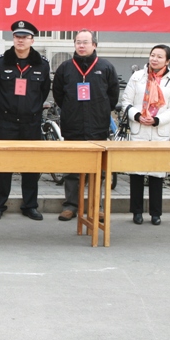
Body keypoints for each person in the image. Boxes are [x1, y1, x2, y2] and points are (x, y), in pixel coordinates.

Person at [52, 29, 119, 221]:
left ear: (94, 45)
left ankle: (96, 206)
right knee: (73, 169)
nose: (81, 46)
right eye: (78, 42)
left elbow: (113, 95)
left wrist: (101, 111)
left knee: (98, 169)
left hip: (97, 126)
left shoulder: (105, 67)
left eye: (85, 42)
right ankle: (71, 205)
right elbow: (58, 95)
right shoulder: (65, 67)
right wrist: (71, 109)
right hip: (72, 125)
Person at [0, 20, 50, 221]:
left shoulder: (42, 64)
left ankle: (30, 205)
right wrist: (2, 107)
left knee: (30, 166)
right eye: (17, 36)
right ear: (13, 38)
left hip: (31, 122)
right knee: (4, 165)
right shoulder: (0, 63)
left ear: (32, 40)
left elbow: (43, 91)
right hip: (7, 122)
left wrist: (32, 108)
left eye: (25, 37)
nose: (20, 40)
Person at [119, 45, 170, 225]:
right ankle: (137, 211)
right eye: (152, 55)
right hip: (139, 130)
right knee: (137, 173)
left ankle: (156, 213)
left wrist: (157, 120)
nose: (154, 59)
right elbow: (126, 101)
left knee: (156, 174)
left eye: (159, 57)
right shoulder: (137, 77)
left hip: (159, 131)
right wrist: (137, 115)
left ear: (167, 61)